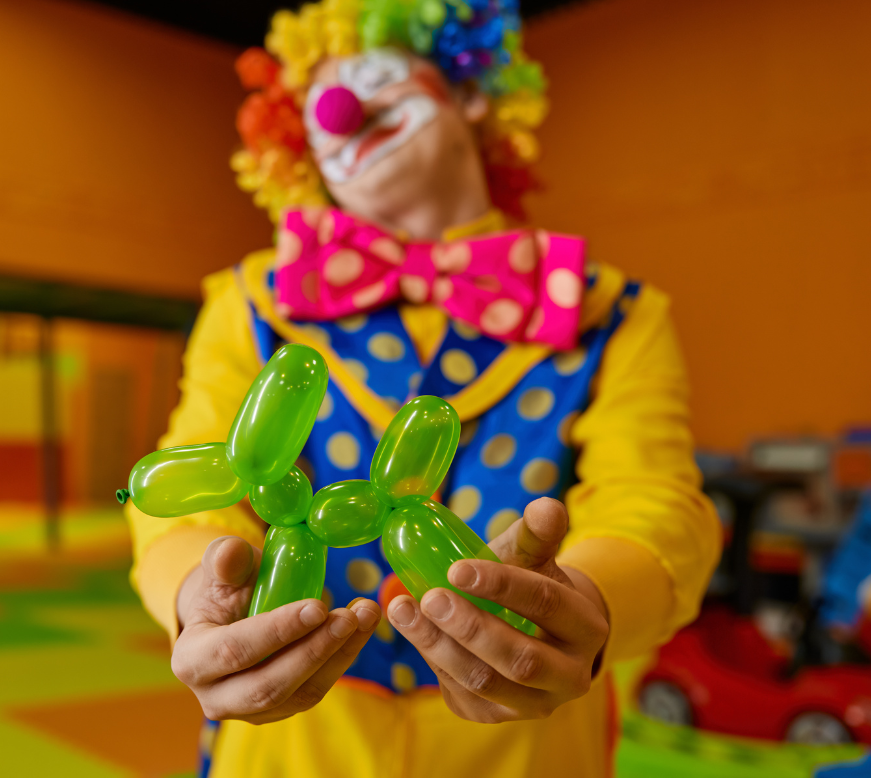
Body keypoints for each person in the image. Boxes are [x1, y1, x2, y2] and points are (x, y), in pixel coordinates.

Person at [126, 0, 721, 775]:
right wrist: (194, 600)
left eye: (375, 79)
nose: (341, 111)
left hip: (528, 744)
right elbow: (196, 479)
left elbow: (654, 494)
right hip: (292, 748)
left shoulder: (616, 314)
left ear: (473, 93)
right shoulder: (247, 303)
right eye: (316, 109)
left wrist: (590, 602)